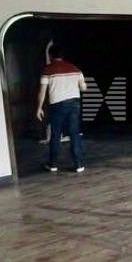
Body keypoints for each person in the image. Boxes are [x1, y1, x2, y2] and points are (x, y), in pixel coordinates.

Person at [36, 45, 87, 173]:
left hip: (57, 105)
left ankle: (52, 164)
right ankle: (79, 164)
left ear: (50, 56)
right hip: (74, 103)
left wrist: (39, 108)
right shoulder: (75, 68)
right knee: (74, 133)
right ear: (62, 55)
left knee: (56, 134)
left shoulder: (47, 70)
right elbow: (83, 88)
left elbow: (42, 92)